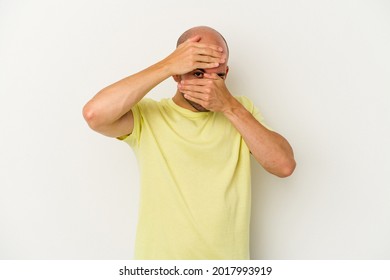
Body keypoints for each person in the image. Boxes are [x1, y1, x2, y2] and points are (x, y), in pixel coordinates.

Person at [83, 26, 296, 260]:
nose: (209, 85)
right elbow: (94, 114)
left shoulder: (240, 111)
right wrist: (167, 65)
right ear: (177, 74)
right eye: (198, 74)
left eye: (219, 76)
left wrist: (229, 107)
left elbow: (283, 165)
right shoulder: (150, 116)